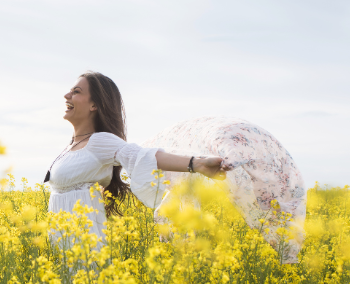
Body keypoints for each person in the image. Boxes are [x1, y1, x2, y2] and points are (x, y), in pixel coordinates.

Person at [45, 71, 306, 263]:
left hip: (83, 241)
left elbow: (143, 156)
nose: (67, 95)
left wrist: (197, 164)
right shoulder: (72, 146)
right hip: (62, 236)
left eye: (76, 91)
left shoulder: (100, 141)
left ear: (94, 105)